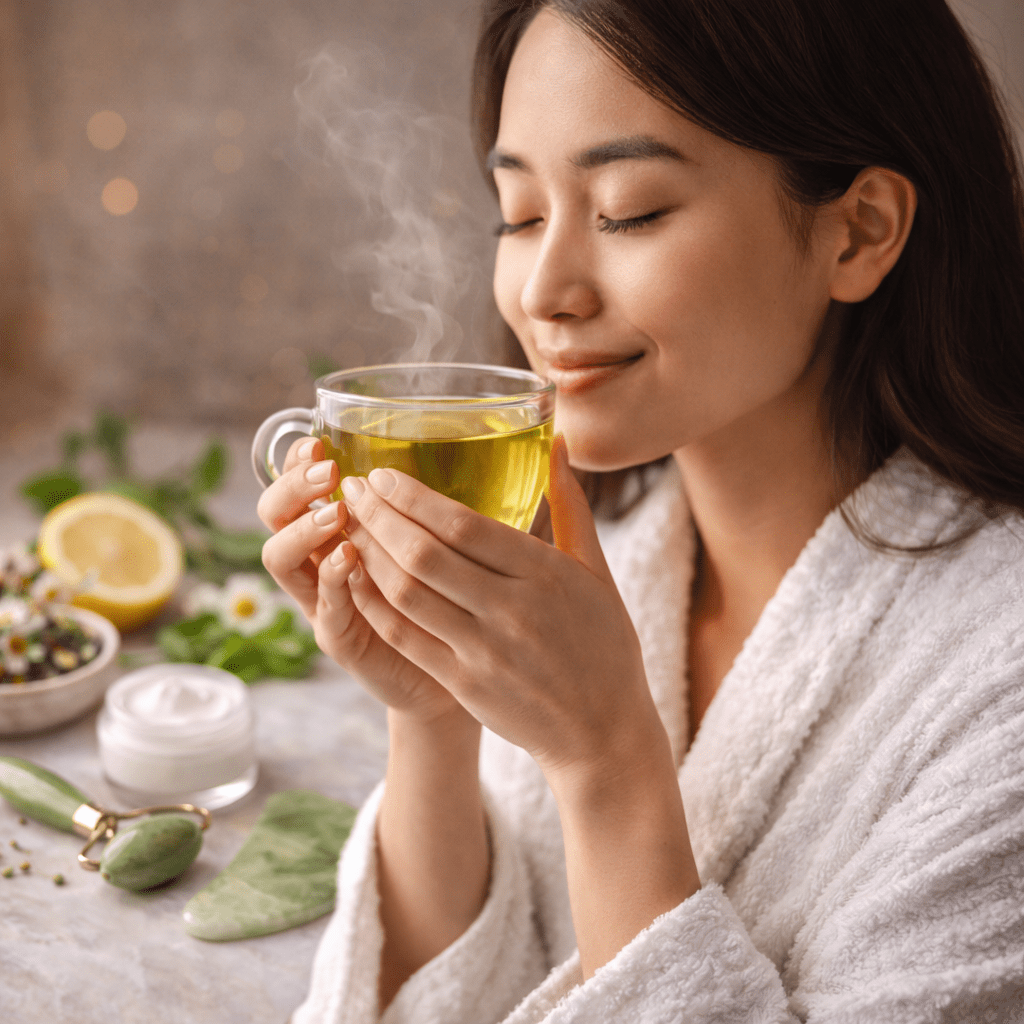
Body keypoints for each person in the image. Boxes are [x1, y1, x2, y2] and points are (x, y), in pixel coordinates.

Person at [260, 0, 1024, 1020]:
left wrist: (610, 762)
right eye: (521, 215)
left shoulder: (997, 682)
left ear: (858, 231)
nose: (543, 289)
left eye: (628, 210)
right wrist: (433, 711)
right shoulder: (599, 561)